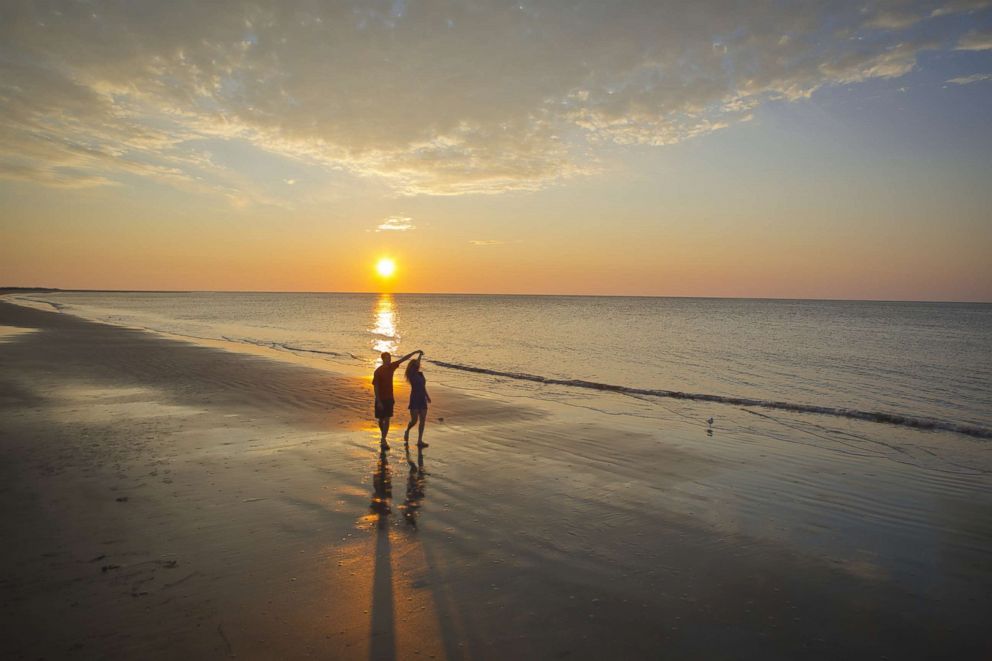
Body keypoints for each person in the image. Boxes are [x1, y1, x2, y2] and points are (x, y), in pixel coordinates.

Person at [373, 349, 423, 448]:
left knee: (387, 419)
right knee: (381, 420)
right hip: (380, 399)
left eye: (390, 358)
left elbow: (404, 359)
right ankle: (383, 436)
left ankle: (383, 440)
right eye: (387, 358)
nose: (389, 360)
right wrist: (378, 401)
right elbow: (376, 387)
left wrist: (414, 352)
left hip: (389, 398)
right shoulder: (378, 371)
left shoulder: (392, 367)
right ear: (383, 359)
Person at [403, 357, 431, 447]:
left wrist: (427, 396)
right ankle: (407, 431)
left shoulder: (421, 374)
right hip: (415, 399)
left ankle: (420, 440)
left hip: (422, 399)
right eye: (415, 365)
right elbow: (416, 363)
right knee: (414, 420)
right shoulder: (411, 375)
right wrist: (419, 356)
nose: (417, 366)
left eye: (418, 365)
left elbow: (423, 386)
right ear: (412, 366)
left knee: (422, 419)